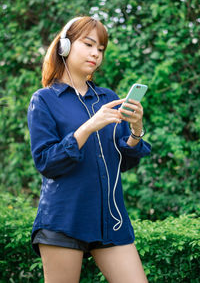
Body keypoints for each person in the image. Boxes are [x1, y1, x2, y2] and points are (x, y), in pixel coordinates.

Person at [27, 15, 151, 283]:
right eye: (89, 44)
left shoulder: (107, 98)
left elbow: (123, 161)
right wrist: (87, 128)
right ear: (65, 47)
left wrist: (136, 130)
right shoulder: (44, 100)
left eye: (101, 49)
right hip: (64, 220)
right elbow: (47, 162)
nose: (96, 53)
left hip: (111, 221)